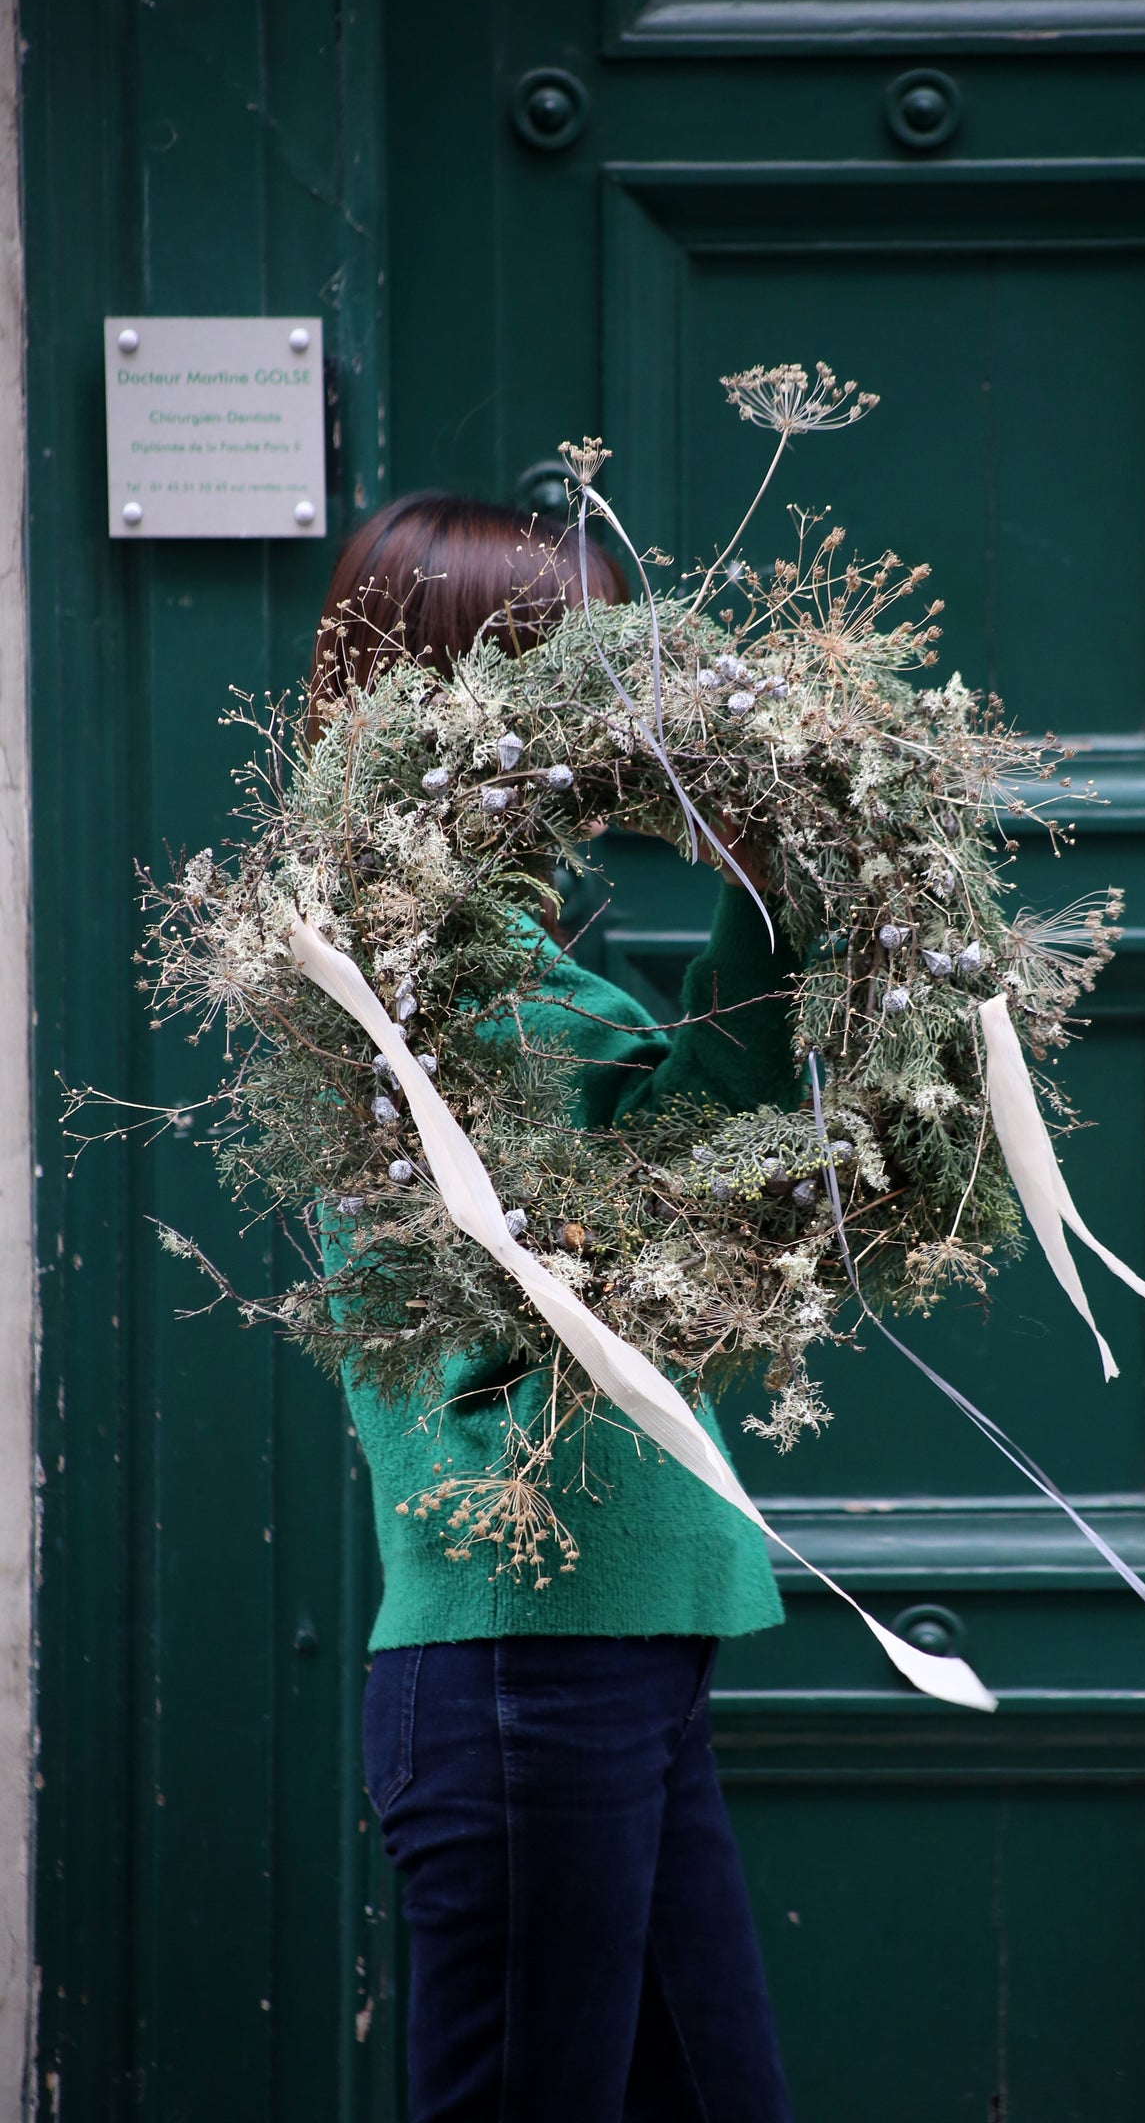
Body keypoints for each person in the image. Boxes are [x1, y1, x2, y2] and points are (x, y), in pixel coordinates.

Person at [309, 493, 798, 2123]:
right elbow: (671, 1172)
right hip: (537, 1655)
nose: (612, 722)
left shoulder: (487, 955)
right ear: (458, 688)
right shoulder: (424, 977)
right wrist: (771, 892)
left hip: (601, 1649)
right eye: (572, 669)